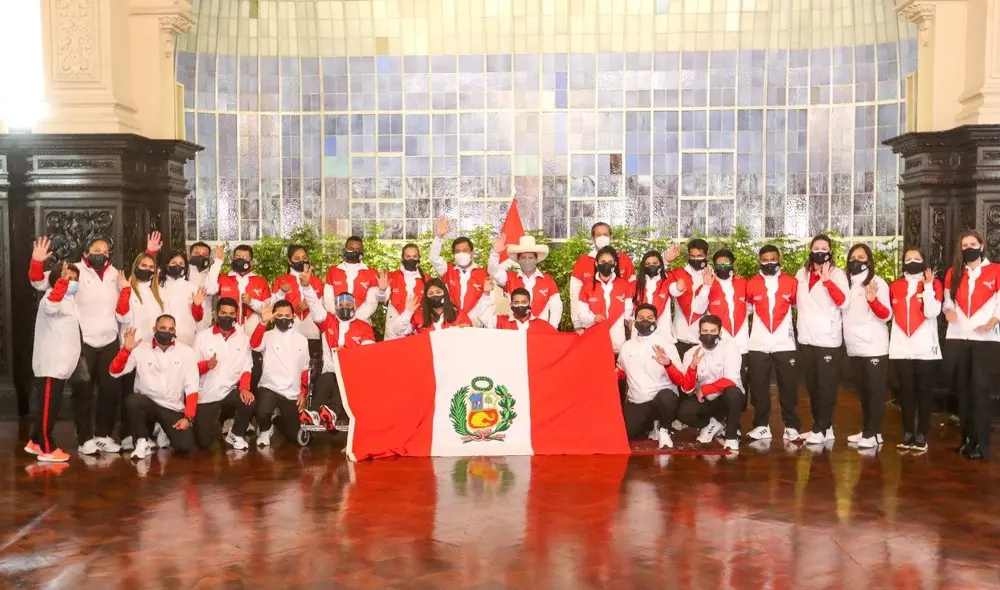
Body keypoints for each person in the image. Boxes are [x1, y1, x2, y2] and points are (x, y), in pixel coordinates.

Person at [28, 234, 160, 455]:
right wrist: (37, 260)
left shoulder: (114, 274)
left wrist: (151, 253)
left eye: (106, 251)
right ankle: (85, 438)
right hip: (83, 342)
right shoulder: (73, 271)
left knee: (110, 391)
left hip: (109, 341)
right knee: (84, 393)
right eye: (96, 251)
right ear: (86, 253)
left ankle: (103, 435)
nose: (102, 254)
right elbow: (39, 282)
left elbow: (138, 282)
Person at [943, 230, 1000, 460]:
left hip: (985, 341)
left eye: (972, 243)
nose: (968, 247)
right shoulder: (953, 273)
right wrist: (947, 311)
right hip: (958, 338)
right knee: (963, 392)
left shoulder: (996, 270)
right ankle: (967, 440)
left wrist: (992, 322)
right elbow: (947, 300)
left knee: (980, 392)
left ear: (982, 246)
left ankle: (981, 445)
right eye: (964, 244)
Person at [110, 317, 199, 460]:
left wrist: (188, 418)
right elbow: (114, 372)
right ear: (154, 329)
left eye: (170, 329)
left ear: (175, 331)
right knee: (133, 401)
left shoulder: (187, 352)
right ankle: (141, 442)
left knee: (185, 446)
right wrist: (125, 350)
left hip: (172, 407)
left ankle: (163, 430)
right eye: (162, 328)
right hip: (148, 403)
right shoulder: (140, 349)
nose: (166, 332)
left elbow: (192, 387)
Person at [299, 269, 376, 430]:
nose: (345, 307)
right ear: (335, 306)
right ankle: (315, 413)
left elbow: (368, 353)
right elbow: (314, 305)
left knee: (341, 380)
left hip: (353, 374)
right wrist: (306, 287)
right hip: (330, 371)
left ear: (354, 307)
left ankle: (331, 413)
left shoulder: (364, 327)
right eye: (341, 305)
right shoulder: (328, 321)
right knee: (327, 377)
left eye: (348, 305)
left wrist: (347, 353)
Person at [660, 314, 744, 452]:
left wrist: (705, 390)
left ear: (720, 332)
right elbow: (687, 389)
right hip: (706, 401)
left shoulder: (729, 347)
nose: (708, 334)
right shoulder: (691, 353)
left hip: (726, 398)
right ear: (699, 333)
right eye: (705, 331)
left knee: (733, 392)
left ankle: (731, 437)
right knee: (683, 411)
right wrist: (693, 366)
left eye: (713, 331)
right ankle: (710, 425)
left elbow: (731, 379)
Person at [744, 245, 802, 442]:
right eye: (765, 260)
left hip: (785, 344)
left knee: (788, 387)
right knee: (759, 387)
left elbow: (800, 307)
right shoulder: (751, 283)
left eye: (773, 259)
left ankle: (791, 426)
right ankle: (761, 426)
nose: (769, 263)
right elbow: (746, 311)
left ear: (780, 259)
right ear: (759, 261)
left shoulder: (792, 282)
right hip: (758, 344)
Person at [796, 234, 850, 446]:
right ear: (810, 250)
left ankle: (820, 427)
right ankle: (825, 428)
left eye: (824, 248)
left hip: (828, 340)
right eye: (816, 247)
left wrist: (826, 281)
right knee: (812, 386)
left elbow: (844, 302)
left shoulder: (837, 275)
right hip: (806, 338)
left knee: (826, 386)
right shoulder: (802, 273)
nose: (819, 251)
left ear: (830, 252)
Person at [25, 262, 81, 463]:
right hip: (51, 364)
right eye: (67, 277)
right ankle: (47, 447)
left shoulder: (71, 300)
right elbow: (50, 307)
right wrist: (61, 284)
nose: (71, 282)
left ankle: (34, 441)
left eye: (74, 279)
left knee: (51, 406)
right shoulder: (51, 296)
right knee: (48, 407)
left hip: (61, 365)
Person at [235, 301, 311, 447]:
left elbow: (305, 369)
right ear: (274, 317)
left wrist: (303, 393)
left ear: (293, 316)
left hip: (292, 392)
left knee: (294, 435)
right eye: (279, 315)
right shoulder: (267, 335)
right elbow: (254, 345)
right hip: (269, 387)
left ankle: (276, 421)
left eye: (287, 315)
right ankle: (265, 429)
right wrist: (263, 322)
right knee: (262, 411)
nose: (283, 319)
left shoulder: (302, 340)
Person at [889, 249, 942, 453]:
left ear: (924, 261)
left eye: (917, 258)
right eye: (908, 259)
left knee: (924, 393)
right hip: (901, 349)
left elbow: (932, 312)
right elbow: (888, 314)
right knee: (906, 393)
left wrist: (928, 287)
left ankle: (922, 433)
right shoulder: (895, 285)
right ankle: (908, 432)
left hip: (925, 350)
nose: (912, 261)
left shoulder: (934, 284)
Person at [205, 244, 273, 392]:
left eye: (245, 257)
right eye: (238, 257)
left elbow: (268, 309)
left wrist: (252, 302)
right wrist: (218, 262)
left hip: (252, 332)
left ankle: (250, 401)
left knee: (252, 367)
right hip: (228, 332)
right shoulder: (223, 278)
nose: (241, 260)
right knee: (226, 366)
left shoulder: (260, 282)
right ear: (232, 259)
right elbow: (210, 289)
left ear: (252, 261)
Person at [843, 244, 891, 450]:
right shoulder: (847, 284)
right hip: (854, 347)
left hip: (874, 347)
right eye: (853, 257)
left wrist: (872, 301)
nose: (856, 260)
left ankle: (872, 432)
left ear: (868, 260)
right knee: (863, 391)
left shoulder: (877, 283)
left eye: (861, 257)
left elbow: (886, 315)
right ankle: (871, 431)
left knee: (875, 392)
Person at [617, 304, 683, 449]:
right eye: (641, 318)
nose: (645, 321)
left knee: (667, 397)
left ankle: (664, 430)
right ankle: (650, 425)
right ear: (634, 322)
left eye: (649, 318)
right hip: (638, 401)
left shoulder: (667, 345)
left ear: (656, 322)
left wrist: (668, 364)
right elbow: (621, 370)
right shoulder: (627, 346)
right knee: (624, 434)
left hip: (661, 399)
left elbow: (681, 380)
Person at [193, 298, 253, 450]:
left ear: (236, 315)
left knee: (249, 401)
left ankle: (236, 434)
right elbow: (190, 369)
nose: (227, 317)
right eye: (223, 313)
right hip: (205, 396)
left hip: (228, 392)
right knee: (204, 443)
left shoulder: (243, 339)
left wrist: (245, 388)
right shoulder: (202, 337)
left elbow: (246, 368)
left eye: (231, 314)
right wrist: (206, 365)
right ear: (217, 314)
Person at [569, 223, 638, 332]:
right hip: (591, 324)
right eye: (598, 235)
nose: (602, 237)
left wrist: (630, 318)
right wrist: (577, 323)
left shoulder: (624, 259)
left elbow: (634, 291)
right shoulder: (583, 261)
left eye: (605, 234)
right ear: (593, 238)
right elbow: (575, 294)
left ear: (611, 237)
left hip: (620, 324)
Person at [271, 245, 325, 384]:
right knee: (290, 362)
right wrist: (282, 293)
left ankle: (310, 395)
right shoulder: (281, 280)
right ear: (289, 261)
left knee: (313, 365)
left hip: (311, 326)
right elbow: (273, 305)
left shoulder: (317, 281)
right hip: (290, 326)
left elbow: (323, 306)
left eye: (304, 258)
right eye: (297, 258)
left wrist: (309, 303)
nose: (301, 261)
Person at [487, 234, 563, 329]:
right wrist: (495, 253)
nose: (527, 260)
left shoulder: (547, 280)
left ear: (536, 259)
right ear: (518, 260)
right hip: (514, 330)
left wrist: (551, 328)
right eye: (523, 257)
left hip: (540, 331)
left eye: (530, 257)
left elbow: (556, 307)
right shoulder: (510, 277)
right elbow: (493, 271)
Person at [575, 246, 634, 353]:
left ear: (615, 264)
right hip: (595, 343)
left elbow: (628, 312)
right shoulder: (586, 288)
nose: (606, 264)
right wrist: (594, 318)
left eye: (610, 261)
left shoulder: (625, 286)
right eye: (603, 261)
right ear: (596, 264)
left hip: (618, 345)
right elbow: (582, 316)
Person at [429, 217, 489, 321]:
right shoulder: (447, 270)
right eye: (458, 251)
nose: (461, 253)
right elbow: (434, 258)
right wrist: (439, 236)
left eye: (465, 250)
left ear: (472, 253)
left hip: (476, 323)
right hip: (452, 321)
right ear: (453, 254)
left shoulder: (483, 273)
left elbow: (488, 300)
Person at [705, 249, 749, 382]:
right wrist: (706, 287)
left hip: (742, 345)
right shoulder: (708, 285)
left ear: (733, 264)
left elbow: (751, 307)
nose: (723, 267)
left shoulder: (743, 283)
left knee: (741, 385)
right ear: (714, 266)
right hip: (719, 345)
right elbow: (698, 308)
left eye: (726, 263)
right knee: (718, 385)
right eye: (719, 265)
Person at [667, 239, 713, 358]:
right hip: (678, 337)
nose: (696, 259)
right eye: (692, 256)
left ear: (706, 255)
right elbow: (670, 289)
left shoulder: (715, 276)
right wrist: (678, 288)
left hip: (703, 340)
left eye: (699, 256)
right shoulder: (677, 273)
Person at [377, 243, 428, 340]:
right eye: (408, 256)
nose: (411, 259)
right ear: (402, 258)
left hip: (419, 330)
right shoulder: (392, 276)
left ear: (419, 258)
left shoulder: (426, 279)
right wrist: (382, 290)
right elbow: (382, 299)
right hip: (394, 331)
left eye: (414, 256)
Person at [392, 278, 474, 336]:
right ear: (426, 297)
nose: (435, 295)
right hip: (427, 357)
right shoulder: (418, 315)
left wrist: (467, 332)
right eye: (430, 293)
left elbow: (472, 339)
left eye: (438, 292)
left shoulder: (459, 314)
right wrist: (407, 313)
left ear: (445, 294)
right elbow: (398, 331)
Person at [324, 236, 379, 322]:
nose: (354, 252)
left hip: (362, 322)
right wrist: (340, 316)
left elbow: (371, 303)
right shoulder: (333, 271)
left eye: (357, 249)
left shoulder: (371, 272)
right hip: (336, 321)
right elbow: (328, 300)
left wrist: (354, 319)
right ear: (345, 249)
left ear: (362, 252)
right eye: (351, 248)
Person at [159, 251, 208, 346]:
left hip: (186, 338)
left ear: (185, 267)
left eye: (181, 264)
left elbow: (198, 318)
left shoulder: (193, 288)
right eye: (173, 263)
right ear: (167, 265)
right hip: (163, 338)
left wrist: (196, 305)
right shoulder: (158, 287)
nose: (177, 266)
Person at [633, 249, 680, 336]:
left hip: (662, 333)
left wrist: (679, 289)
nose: (651, 266)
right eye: (648, 264)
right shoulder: (635, 284)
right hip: (638, 333)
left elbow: (675, 290)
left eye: (655, 263)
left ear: (660, 265)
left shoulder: (667, 281)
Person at [476, 285, 558, 332]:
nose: (520, 305)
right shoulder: (499, 322)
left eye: (524, 302)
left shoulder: (543, 326)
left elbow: (557, 342)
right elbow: (483, 317)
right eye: (516, 303)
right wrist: (486, 293)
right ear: (511, 304)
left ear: (530, 303)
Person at [187, 241, 215, 332]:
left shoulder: (213, 277)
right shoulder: (183, 275)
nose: (200, 257)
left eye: (204, 255)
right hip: (184, 324)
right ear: (189, 256)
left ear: (209, 259)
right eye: (197, 254)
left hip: (204, 324)